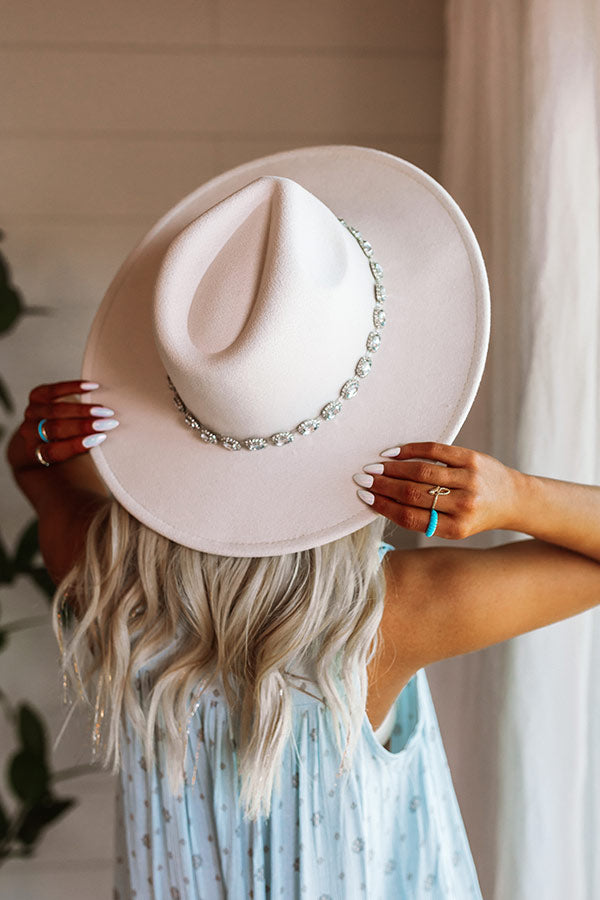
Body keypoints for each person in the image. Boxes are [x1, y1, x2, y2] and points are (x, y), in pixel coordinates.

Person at [6, 146, 600, 899]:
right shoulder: (383, 623)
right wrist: (517, 498)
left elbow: (34, 472)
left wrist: (41, 442)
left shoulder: (110, 589)